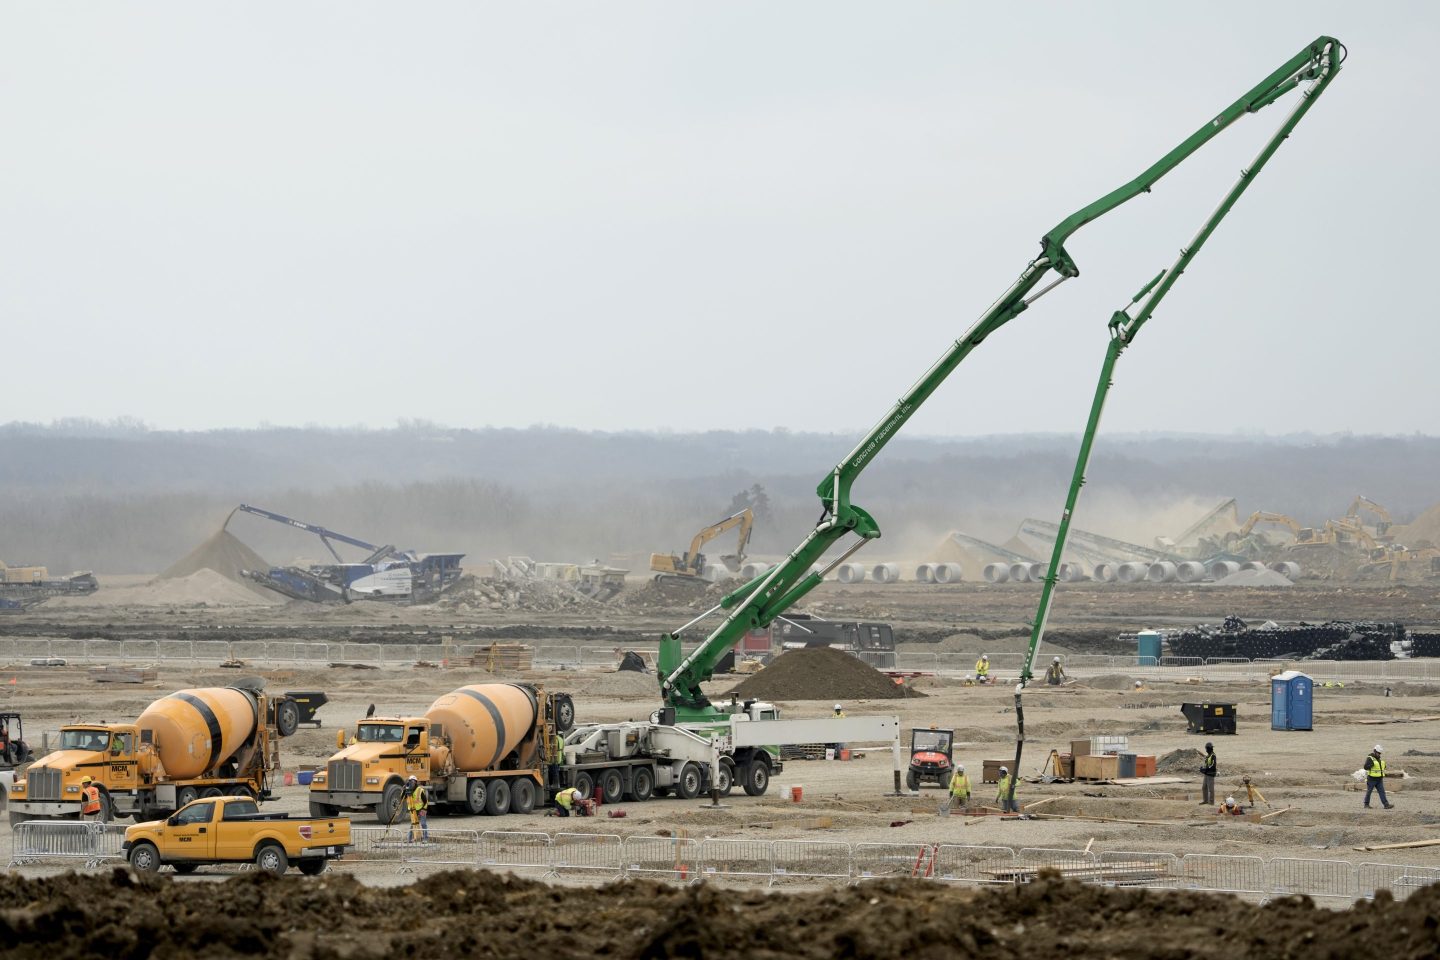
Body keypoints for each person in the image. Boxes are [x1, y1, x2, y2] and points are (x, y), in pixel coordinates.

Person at [1363, 745, 1394, 809]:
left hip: (1379, 779)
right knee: (1369, 791)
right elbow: (1365, 767)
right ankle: (1366, 804)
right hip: (1371, 779)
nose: (1379, 754)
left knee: (1382, 792)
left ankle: (1386, 805)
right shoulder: (1370, 758)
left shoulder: (1379, 759)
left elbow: (1380, 767)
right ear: (1374, 751)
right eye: (1378, 753)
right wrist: (1370, 765)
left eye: (1380, 753)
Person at [404, 776, 429, 842]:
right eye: (411, 781)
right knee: (413, 825)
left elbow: (425, 801)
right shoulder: (407, 790)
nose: (412, 783)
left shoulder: (419, 790)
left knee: (423, 824)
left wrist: (424, 809)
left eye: (413, 781)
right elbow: (403, 798)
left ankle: (425, 838)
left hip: (421, 809)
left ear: (416, 782)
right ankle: (409, 839)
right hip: (413, 810)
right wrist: (404, 790)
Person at [1200, 742, 1217, 806]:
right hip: (1206, 774)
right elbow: (1207, 765)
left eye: (1206, 749)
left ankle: (1211, 802)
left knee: (1211, 789)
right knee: (1204, 787)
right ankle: (1205, 800)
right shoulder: (1208, 756)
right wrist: (1203, 769)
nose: (1206, 750)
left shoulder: (1213, 756)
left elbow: (1213, 765)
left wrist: (1205, 769)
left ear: (1208, 748)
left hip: (1211, 774)